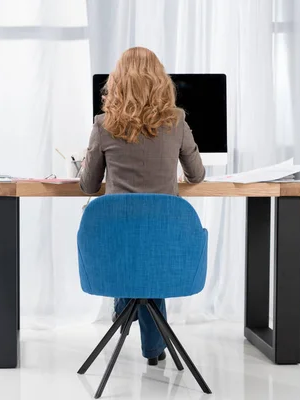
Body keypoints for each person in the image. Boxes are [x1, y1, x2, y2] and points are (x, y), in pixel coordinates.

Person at [79, 47, 205, 365]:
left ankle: (125, 307)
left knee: (135, 248)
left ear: (117, 83)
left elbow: (88, 186)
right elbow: (197, 175)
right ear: (161, 82)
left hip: (116, 242)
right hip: (166, 240)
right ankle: (152, 347)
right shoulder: (177, 121)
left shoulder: (103, 124)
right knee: (151, 250)